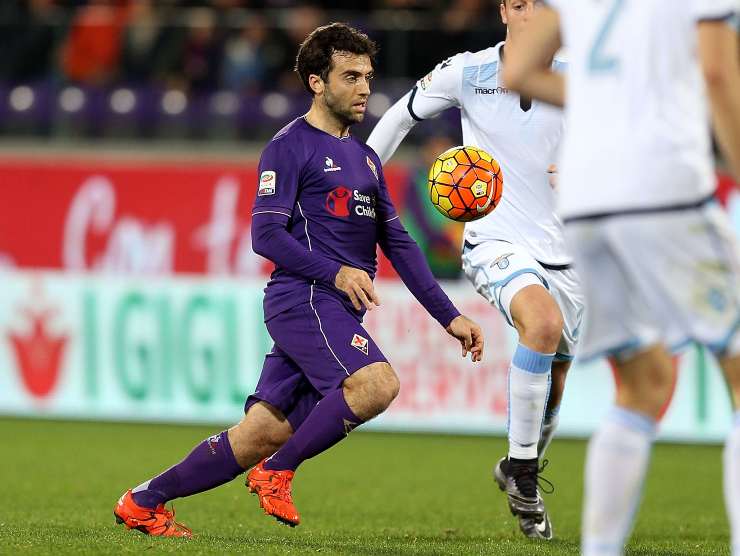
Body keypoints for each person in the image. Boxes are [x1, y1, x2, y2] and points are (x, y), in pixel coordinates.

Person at [113, 22, 484, 537]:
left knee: (259, 433)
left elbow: (399, 244)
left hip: (332, 309)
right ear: (316, 81)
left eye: (368, 76)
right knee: (377, 384)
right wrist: (335, 270)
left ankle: (142, 502)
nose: (364, 88)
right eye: (350, 76)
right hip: (304, 299)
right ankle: (278, 473)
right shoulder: (289, 147)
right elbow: (265, 236)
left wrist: (452, 315)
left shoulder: (367, 159)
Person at [503, 1, 740, 554]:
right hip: (665, 187)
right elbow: (716, 71)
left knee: (643, 383)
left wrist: (613, 98)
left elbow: (519, 71)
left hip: (586, 198)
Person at [367, 0, 584, 540]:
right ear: (505, 11)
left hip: (569, 248)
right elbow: (399, 116)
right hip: (494, 238)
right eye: (519, 3)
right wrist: (358, 184)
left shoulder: (582, 76)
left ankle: (516, 462)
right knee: (542, 323)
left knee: (557, 378)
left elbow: (623, 145)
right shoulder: (470, 72)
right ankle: (527, 480)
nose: (531, 13)